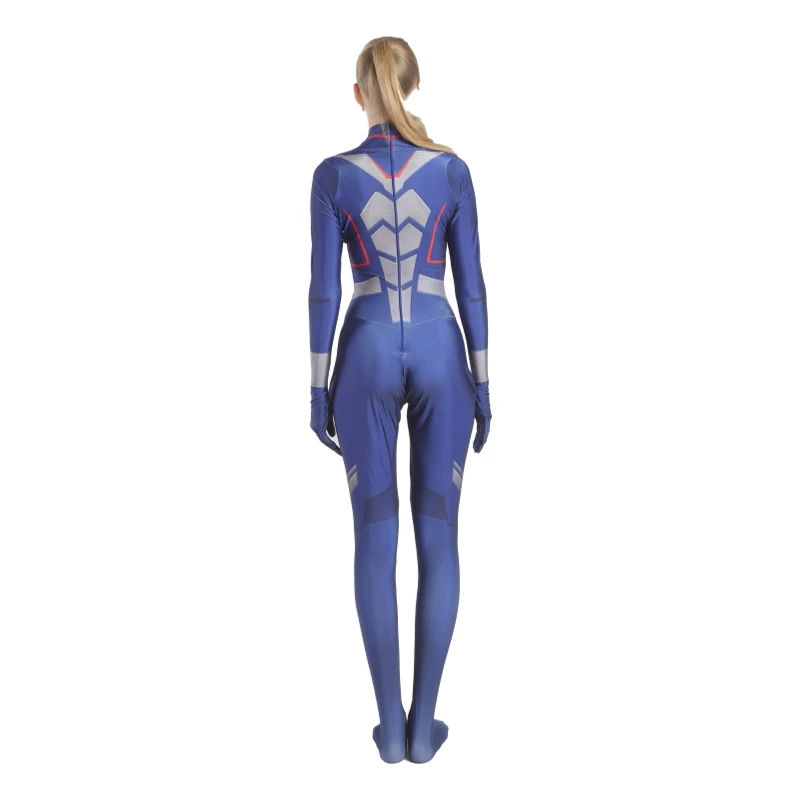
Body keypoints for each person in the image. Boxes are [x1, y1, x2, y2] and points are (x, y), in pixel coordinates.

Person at [307, 36, 492, 764]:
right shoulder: (452, 171)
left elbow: (323, 292)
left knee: (374, 538)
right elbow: (472, 287)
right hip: (444, 353)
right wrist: (485, 383)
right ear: (411, 86)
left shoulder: (332, 176)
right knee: (439, 537)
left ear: (360, 93)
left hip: (365, 351)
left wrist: (315, 385)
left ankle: (389, 727)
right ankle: (423, 730)